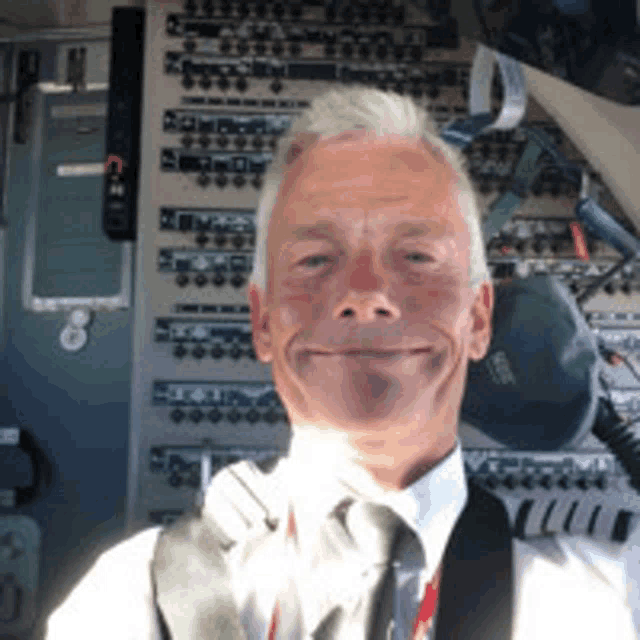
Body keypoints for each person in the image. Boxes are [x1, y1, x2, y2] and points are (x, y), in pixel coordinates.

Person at [45, 87, 640, 640]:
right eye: (315, 258)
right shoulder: (127, 600)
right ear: (263, 323)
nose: (365, 291)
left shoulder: (605, 599)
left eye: (416, 254)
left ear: (479, 317)